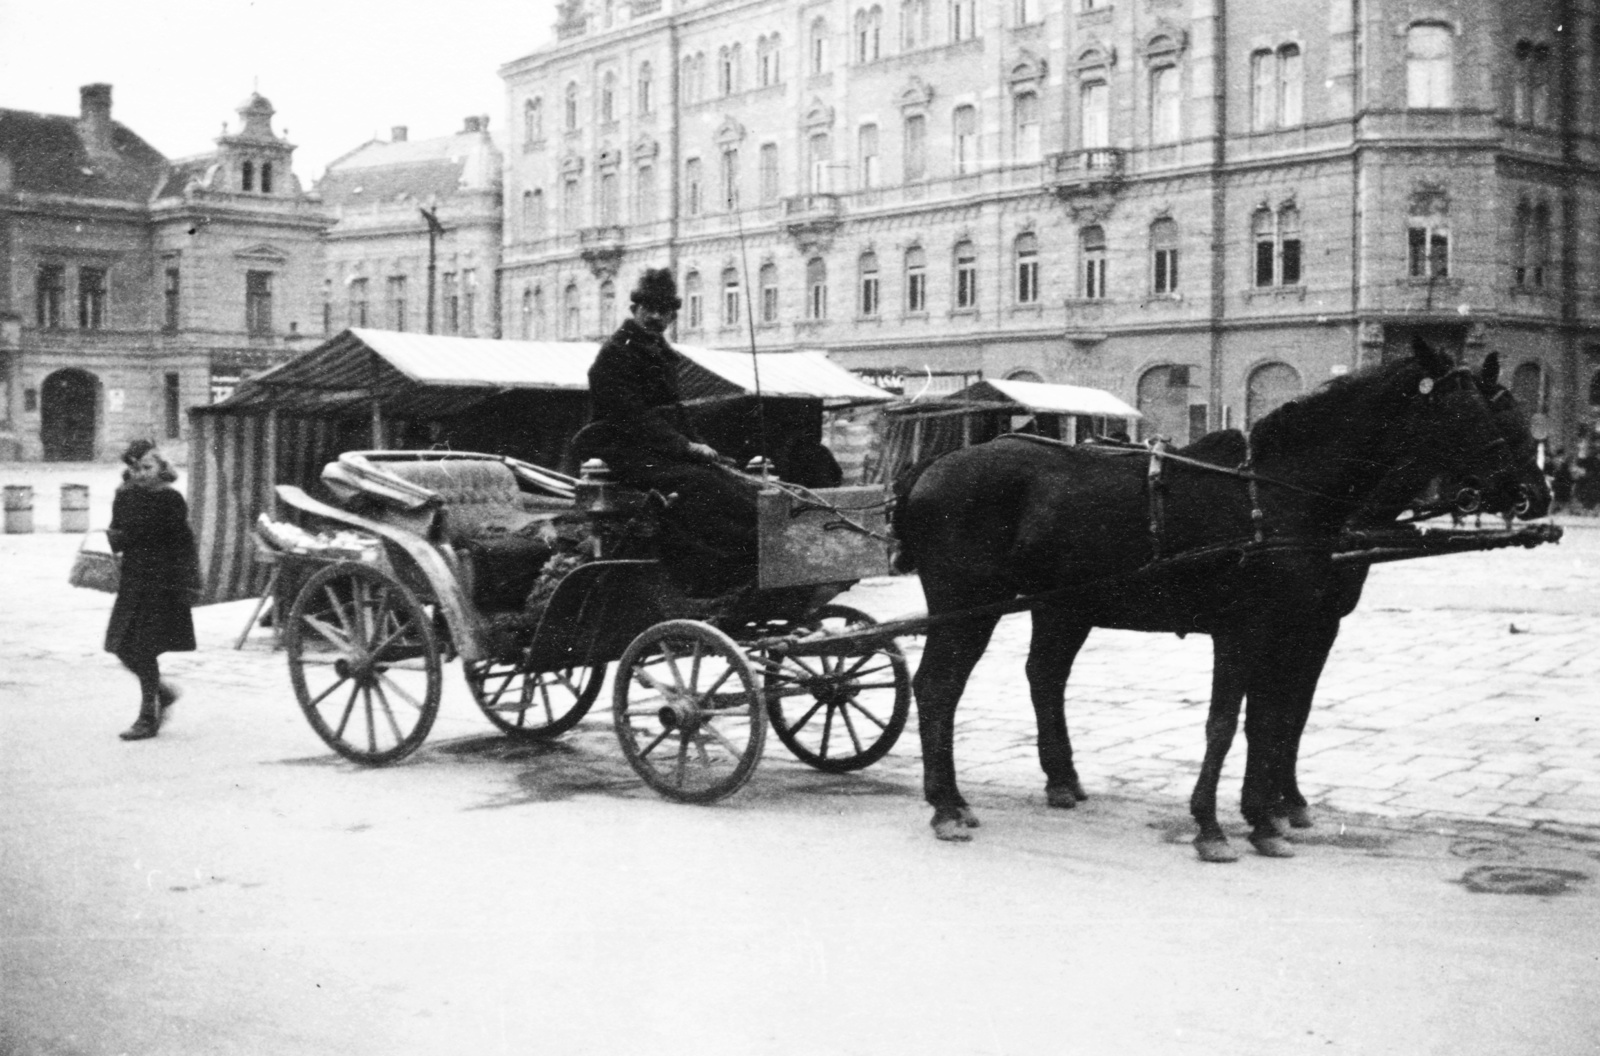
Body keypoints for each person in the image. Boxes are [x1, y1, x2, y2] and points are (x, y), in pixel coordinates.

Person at [572, 268, 759, 595]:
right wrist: (685, 447)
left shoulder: (661, 354)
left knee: (732, 481)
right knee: (700, 483)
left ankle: (746, 559)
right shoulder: (616, 354)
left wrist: (704, 447)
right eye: (650, 309)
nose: (657, 317)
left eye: (665, 311)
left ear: (673, 316)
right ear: (634, 310)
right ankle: (714, 575)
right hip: (622, 448)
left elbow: (675, 413)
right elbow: (632, 416)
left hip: (654, 448)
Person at [105, 439, 200, 741]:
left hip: (162, 581)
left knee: (144, 648)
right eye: (135, 469)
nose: (142, 474)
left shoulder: (169, 498)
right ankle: (163, 693)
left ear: (162, 468)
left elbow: (183, 542)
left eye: (148, 467)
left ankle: (148, 717)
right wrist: (116, 531)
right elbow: (117, 537)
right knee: (119, 645)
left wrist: (190, 581)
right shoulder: (124, 496)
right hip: (133, 579)